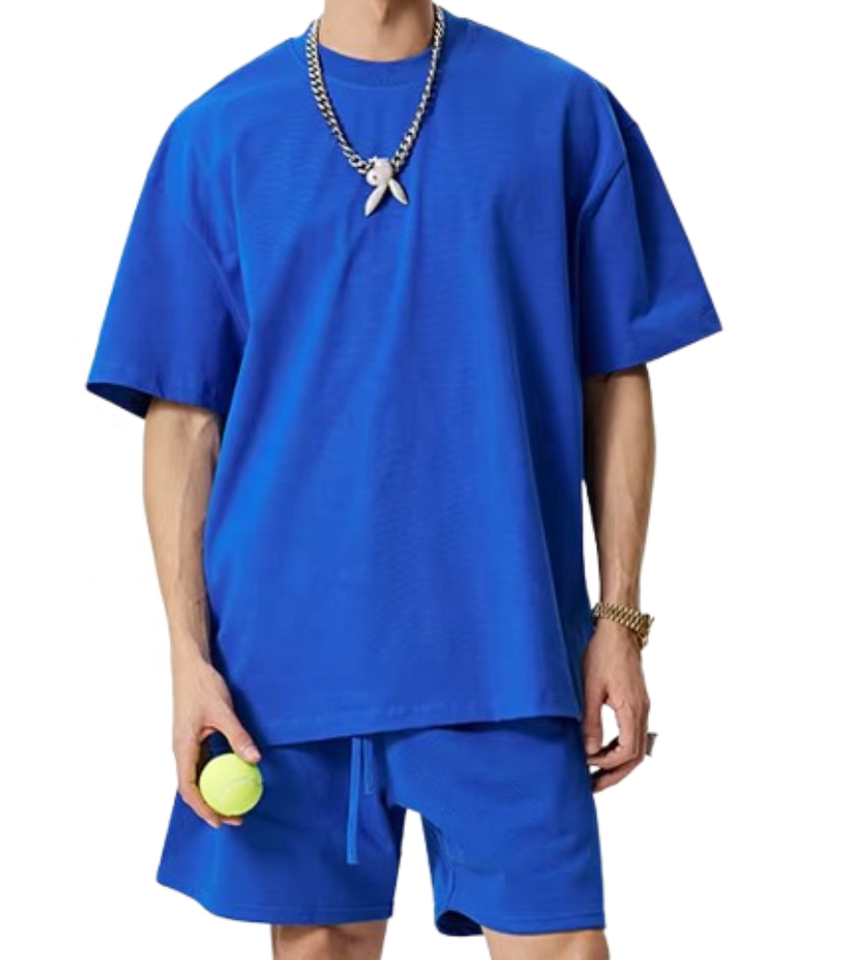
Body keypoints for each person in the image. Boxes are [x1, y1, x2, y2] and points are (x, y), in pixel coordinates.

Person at [85, 2, 722, 957]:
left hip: (503, 644)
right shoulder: (216, 137)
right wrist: (187, 658)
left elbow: (615, 376)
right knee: (321, 944)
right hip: (287, 660)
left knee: (561, 943)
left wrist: (619, 621)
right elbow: (183, 420)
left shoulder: (559, 110)